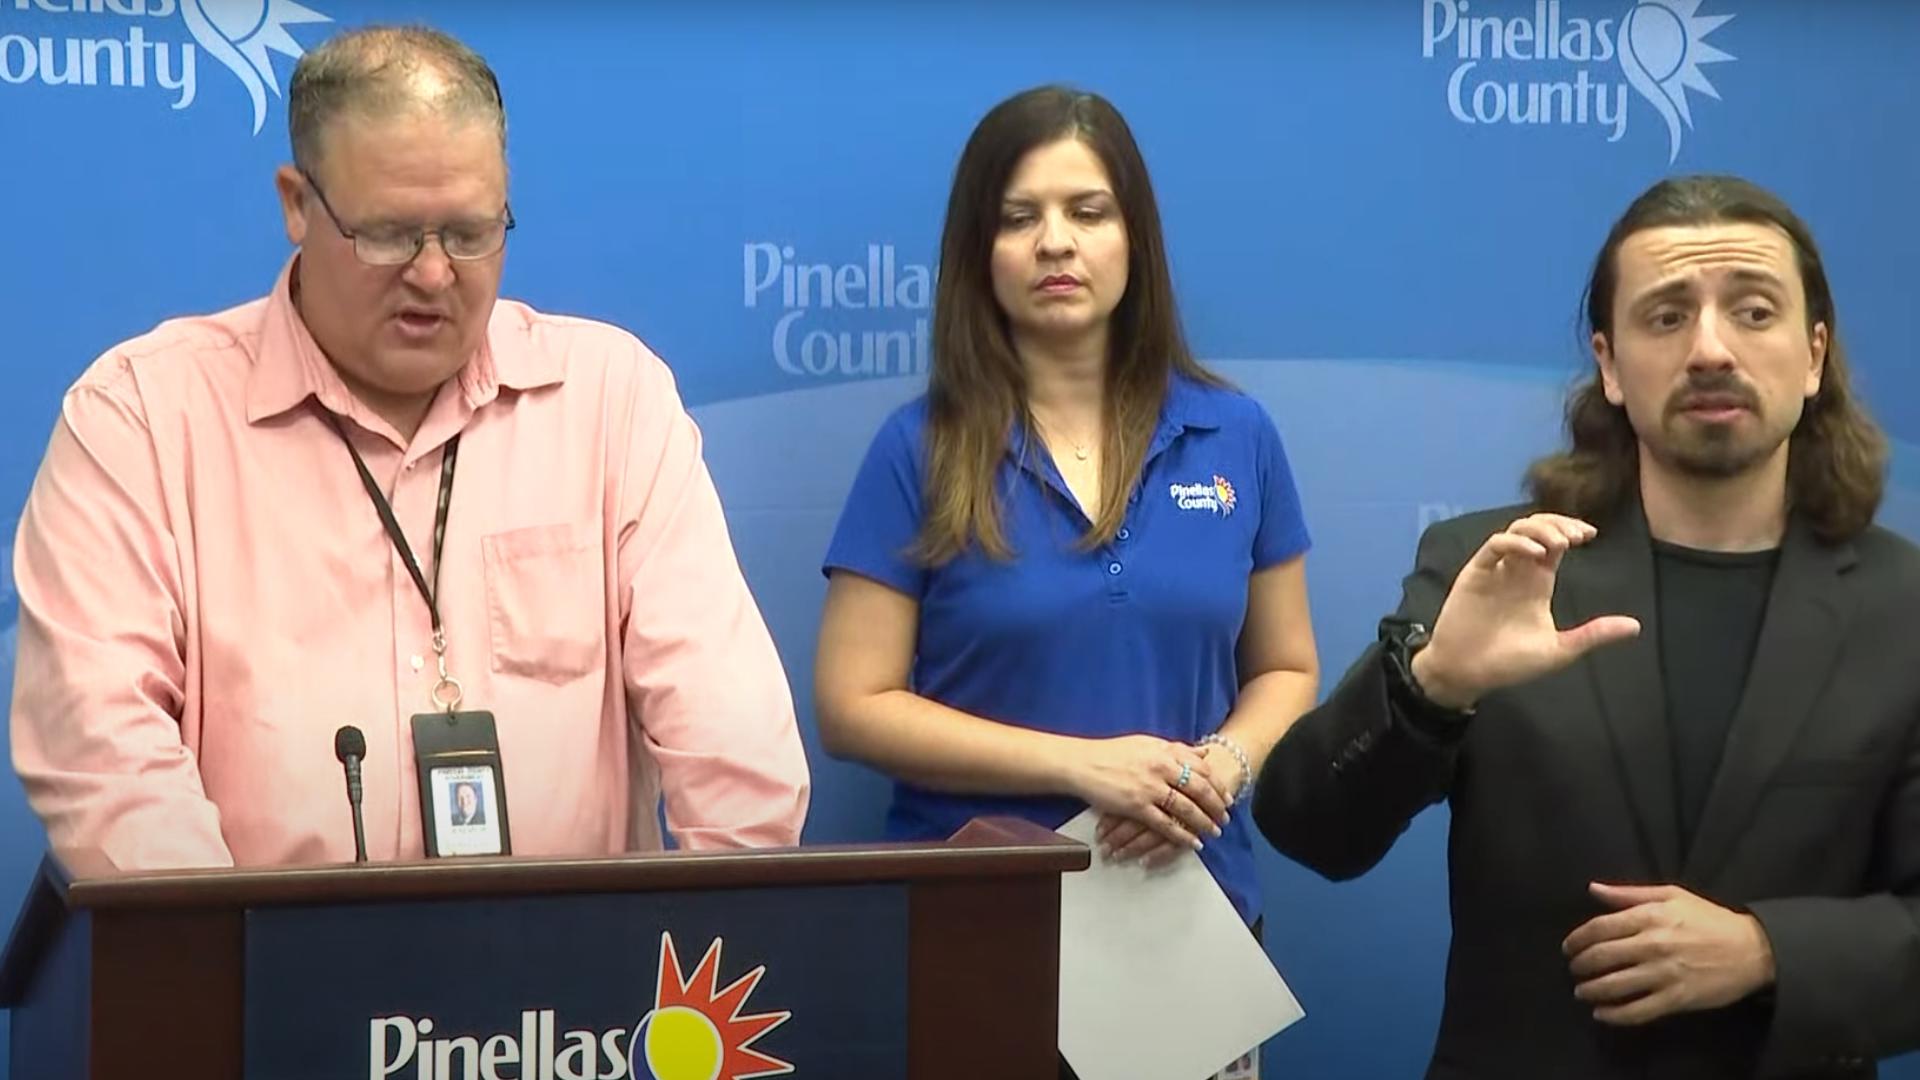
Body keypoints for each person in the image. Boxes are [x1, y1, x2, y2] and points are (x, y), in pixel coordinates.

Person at [9, 25, 809, 872]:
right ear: (296, 202)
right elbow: (107, 759)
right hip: (266, 979)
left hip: (578, 990)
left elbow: (732, 732)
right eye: (389, 234)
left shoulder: (612, 401)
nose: (433, 275)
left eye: (470, 234)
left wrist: (730, 935)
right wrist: (232, 968)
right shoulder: (138, 418)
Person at [1255, 175, 1920, 1078]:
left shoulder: (1903, 605)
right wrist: (1432, 689)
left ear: (1813, 356)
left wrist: (1767, 951)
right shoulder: (1495, 568)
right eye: (1666, 318)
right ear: (1609, 366)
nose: (1711, 350)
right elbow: (1310, 828)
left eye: (1753, 313)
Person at [813, 85, 1319, 1078]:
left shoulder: (1238, 435)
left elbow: (1289, 669)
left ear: (1135, 239)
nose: (1055, 241)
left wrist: (1223, 760)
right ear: (979, 253)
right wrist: (1081, 765)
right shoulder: (917, 450)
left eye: (1087, 211)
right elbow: (851, 707)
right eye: (1019, 217)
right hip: (982, 929)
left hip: (1186, 920)